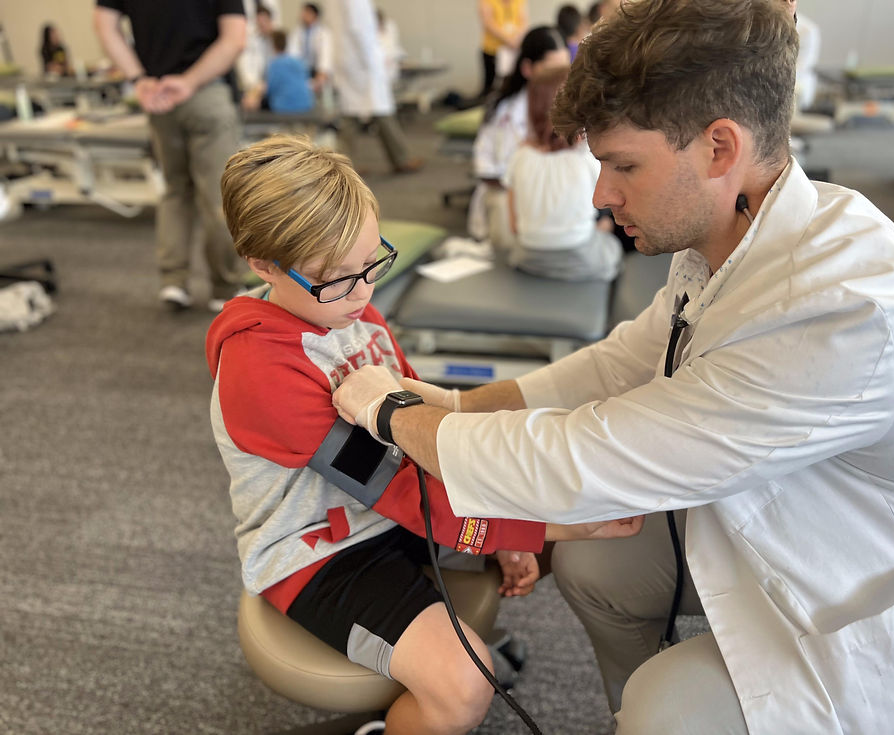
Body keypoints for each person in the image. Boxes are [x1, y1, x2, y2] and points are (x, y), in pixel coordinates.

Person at [332, 0, 894, 733]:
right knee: (597, 564)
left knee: (664, 708)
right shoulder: (731, 233)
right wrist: (453, 402)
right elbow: (624, 362)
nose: (602, 195)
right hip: (795, 515)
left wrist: (389, 412)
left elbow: (586, 458)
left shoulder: (841, 310)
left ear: (719, 148)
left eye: (622, 166)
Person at [207, 134, 640, 735]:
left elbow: (422, 430)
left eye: (371, 265)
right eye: (336, 279)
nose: (364, 293)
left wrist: (514, 529)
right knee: (463, 687)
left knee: (552, 518)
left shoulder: (351, 311)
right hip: (324, 552)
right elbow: (398, 487)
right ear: (261, 265)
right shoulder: (264, 373)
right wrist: (529, 524)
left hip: (393, 514)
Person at [93, 0, 247, 312]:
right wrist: (190, 81)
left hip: (159, 98)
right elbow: (234, 38)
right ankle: (225, 286)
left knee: (176, 190)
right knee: (219, 196)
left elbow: (104, 25)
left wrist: (138, 79)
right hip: (205, 92)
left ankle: (173, 282)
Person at [504, 65, 620, 281]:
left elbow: (513, 226)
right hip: (580, 258)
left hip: (526, 258)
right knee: (611, 236)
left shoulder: (519, 157)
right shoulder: (587, 157)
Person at [468, 25, 569, 245]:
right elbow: (484, 166)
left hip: (558, 191)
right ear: (528, 68)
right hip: (510, 194)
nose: (561, 79)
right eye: (552, 70)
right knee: (507, 211)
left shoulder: (574, 106)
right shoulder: (504, 110)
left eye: (564, 69)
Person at [323, 0, 424, 175]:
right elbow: (360, 30)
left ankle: (342, 164)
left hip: (347, 59)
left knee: (353, 114)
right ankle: (399, 159)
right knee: (378, 111)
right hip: (362, 63)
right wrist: (374, 62)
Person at [477, 0, 527, 99]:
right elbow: (488, 23)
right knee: (491, 88)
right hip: (492, 50)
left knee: (513, 84)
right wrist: (508, 40)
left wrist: (517, 39)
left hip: (514, 50)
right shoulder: (486, 2)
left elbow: (524, 22)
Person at [286, 2, 332, 98]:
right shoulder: (297, 32)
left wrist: (321, 74)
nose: (303, 15)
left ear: (314, 15)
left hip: (317, 71)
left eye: (306, 12)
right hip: (302, 72)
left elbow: (325, 56)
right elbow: (292, 54)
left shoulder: (323, 33)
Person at [238, 2, 277, 111]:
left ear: (270, 20)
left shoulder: (277, 40)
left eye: (264, 21)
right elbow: (245, 66)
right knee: (249, 102)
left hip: (273, 87)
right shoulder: (251, 40)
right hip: (255, 87)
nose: (262, 25)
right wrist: (255, 86)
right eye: (259, 22)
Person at [265, 30, 313, 112]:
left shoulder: (275, 64)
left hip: (283, 106)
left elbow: (270, 89)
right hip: (306, 105)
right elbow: (307, 82)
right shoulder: (299, 61)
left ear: (273, 45)